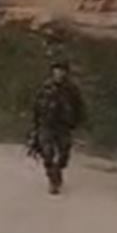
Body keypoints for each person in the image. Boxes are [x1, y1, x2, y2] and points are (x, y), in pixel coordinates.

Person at [31, 60, 85, 196]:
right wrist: (35, 124)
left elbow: (79, 107)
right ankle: (53, 180)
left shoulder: (71, 89)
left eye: (61, 70)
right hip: (46, 124)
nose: (58, 73)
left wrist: (78, 122)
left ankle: (58, 171)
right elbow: (36, 106)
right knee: (47, 152)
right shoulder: (45, 87)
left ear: (66, 73)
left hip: (64, 125)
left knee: (64, 152)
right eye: (56, 70)